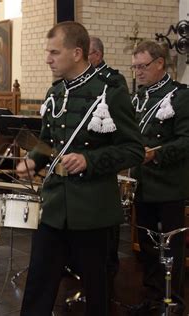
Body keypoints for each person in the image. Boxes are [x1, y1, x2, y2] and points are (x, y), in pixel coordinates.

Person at [16, 21, 144, 316]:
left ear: (76, 53)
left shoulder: (109, 90)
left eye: (54, 52)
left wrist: (90, 160)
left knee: (96, 290)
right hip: (55, 205)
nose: (48, 59)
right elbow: (48, 141)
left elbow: (133, 149)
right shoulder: (56, 91)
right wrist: (35, 158)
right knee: (38, 283)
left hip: (93, 210)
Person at [130, 41, 189, 315]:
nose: (138, 73)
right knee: (147, 247)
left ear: (160, 63)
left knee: (170, 248)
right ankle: (152, 296)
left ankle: (172, 300)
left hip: (169, 186)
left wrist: (155, 153)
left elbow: (186, 140)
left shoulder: (180, 96)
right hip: (142, 184)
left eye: (142, 66)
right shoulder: (138, 97)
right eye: (135, 67)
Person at [88, 35, 130, 292]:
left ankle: (109, 272)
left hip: (102, 165)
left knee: (105, 236)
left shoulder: (112, 82)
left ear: (98, 55)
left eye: (90, 54)